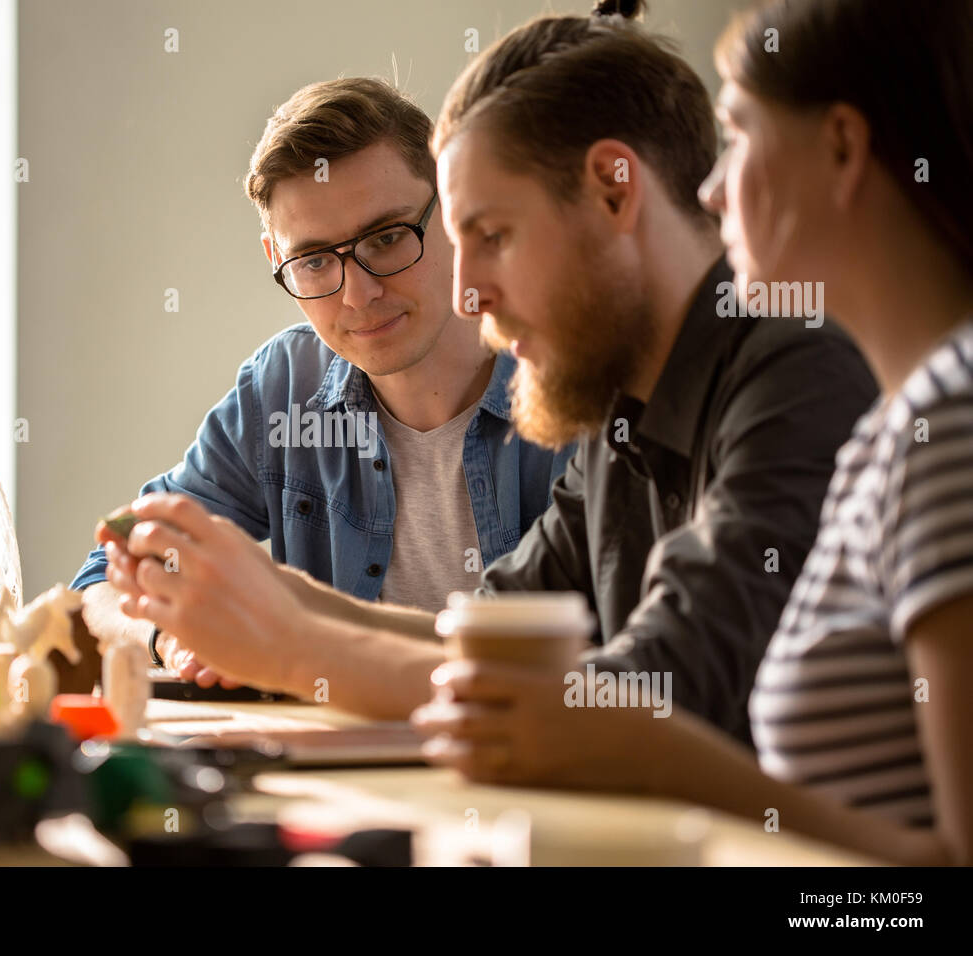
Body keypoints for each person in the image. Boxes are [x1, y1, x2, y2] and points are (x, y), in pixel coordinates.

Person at [106, 0, 877, 735]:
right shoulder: (625, 405)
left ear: (616, 192)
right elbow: (485, 637)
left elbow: (658, 695)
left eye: (493, 234)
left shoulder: (795, 369)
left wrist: (290, 650)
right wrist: (279, 598)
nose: (467, 291)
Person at [416, 0, 973, 866]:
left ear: (841, 149)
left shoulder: (946, 420)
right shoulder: (898, 432)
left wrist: (647, 747)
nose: (711, 188)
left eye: (739, 135)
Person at [72, 77, 573, 687]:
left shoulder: (572, 380)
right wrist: (172, 638)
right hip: (334, 766)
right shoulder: (282, 389)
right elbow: (105, 576)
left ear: (454, 208)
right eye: (313, 261)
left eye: (387, 238)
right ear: (275, 260)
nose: (359, 295)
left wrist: (290, 633)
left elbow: (608, 662)